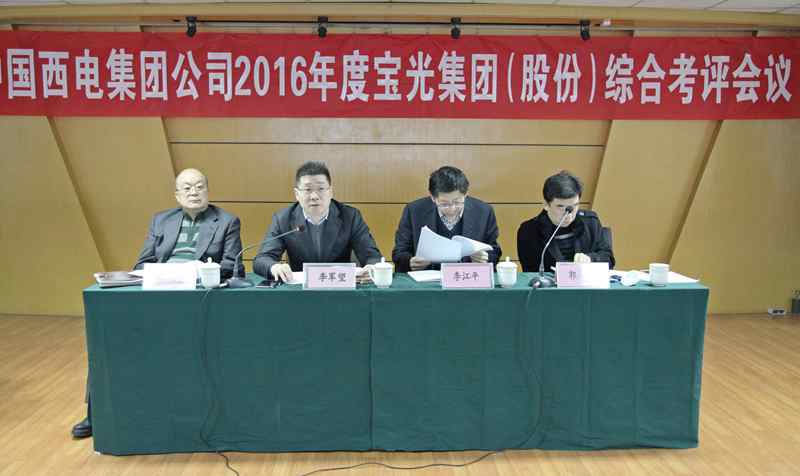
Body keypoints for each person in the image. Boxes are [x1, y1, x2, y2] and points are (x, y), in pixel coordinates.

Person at [71, 168, 244, 439]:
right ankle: (97, 413)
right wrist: (160, 274)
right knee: (107, 339)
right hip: (159, 291)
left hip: (198, 296)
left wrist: (197, 271)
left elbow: (233, 267)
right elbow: (142, 263)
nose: (194, 192)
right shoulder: (161, 220)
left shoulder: (226, 221)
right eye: (187, 188)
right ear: (177, 195)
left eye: (199, 186)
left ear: (208, 191)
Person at [253, 161, 382, 282]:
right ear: (297, 194)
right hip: (301, 290)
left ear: (330, 192)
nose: (314, 196)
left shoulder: (350, 216)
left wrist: (371, 267)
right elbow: (262, 259)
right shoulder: (283, 219)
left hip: (340, 288)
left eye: (321, 189)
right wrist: (274, 267)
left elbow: (372, 256)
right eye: (308, 190)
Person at [392, 165, 501, 273]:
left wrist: (485, 258)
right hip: (428, 279)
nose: (452, 209)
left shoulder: (483, 212)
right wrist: (410, 262)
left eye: (457, 202)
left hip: (467, 277)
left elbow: (494, 251)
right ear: (433, 198)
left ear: (466, 194)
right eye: (444, 204)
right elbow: (399, 252)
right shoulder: (414, 211)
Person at [517, 170, 614, 273]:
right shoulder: (529, 231)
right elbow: (530, 272)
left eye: (574, 206)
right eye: (560, 207)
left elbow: (608, 259)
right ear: (546, 204)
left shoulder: (590, 222)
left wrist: (590, 259)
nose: (568, 214)